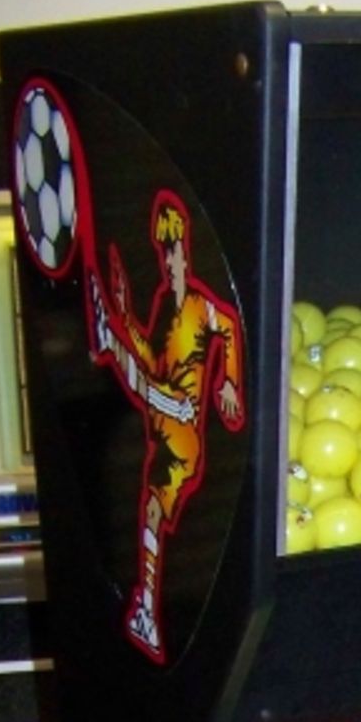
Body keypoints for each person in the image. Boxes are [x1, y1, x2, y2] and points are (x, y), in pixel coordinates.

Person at [88, 190, 244, 659]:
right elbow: (155, 358)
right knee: (152, 513)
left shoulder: (198, 305)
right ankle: (148, 614)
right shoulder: (165, 306)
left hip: (181, 420)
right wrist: (129, 321)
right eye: (165, 251)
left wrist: (230, 381)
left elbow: (231, 329)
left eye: (174, 250)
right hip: (163, 422)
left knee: (143, 387)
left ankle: (106, 339)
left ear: (185, 251)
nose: (170, 260)